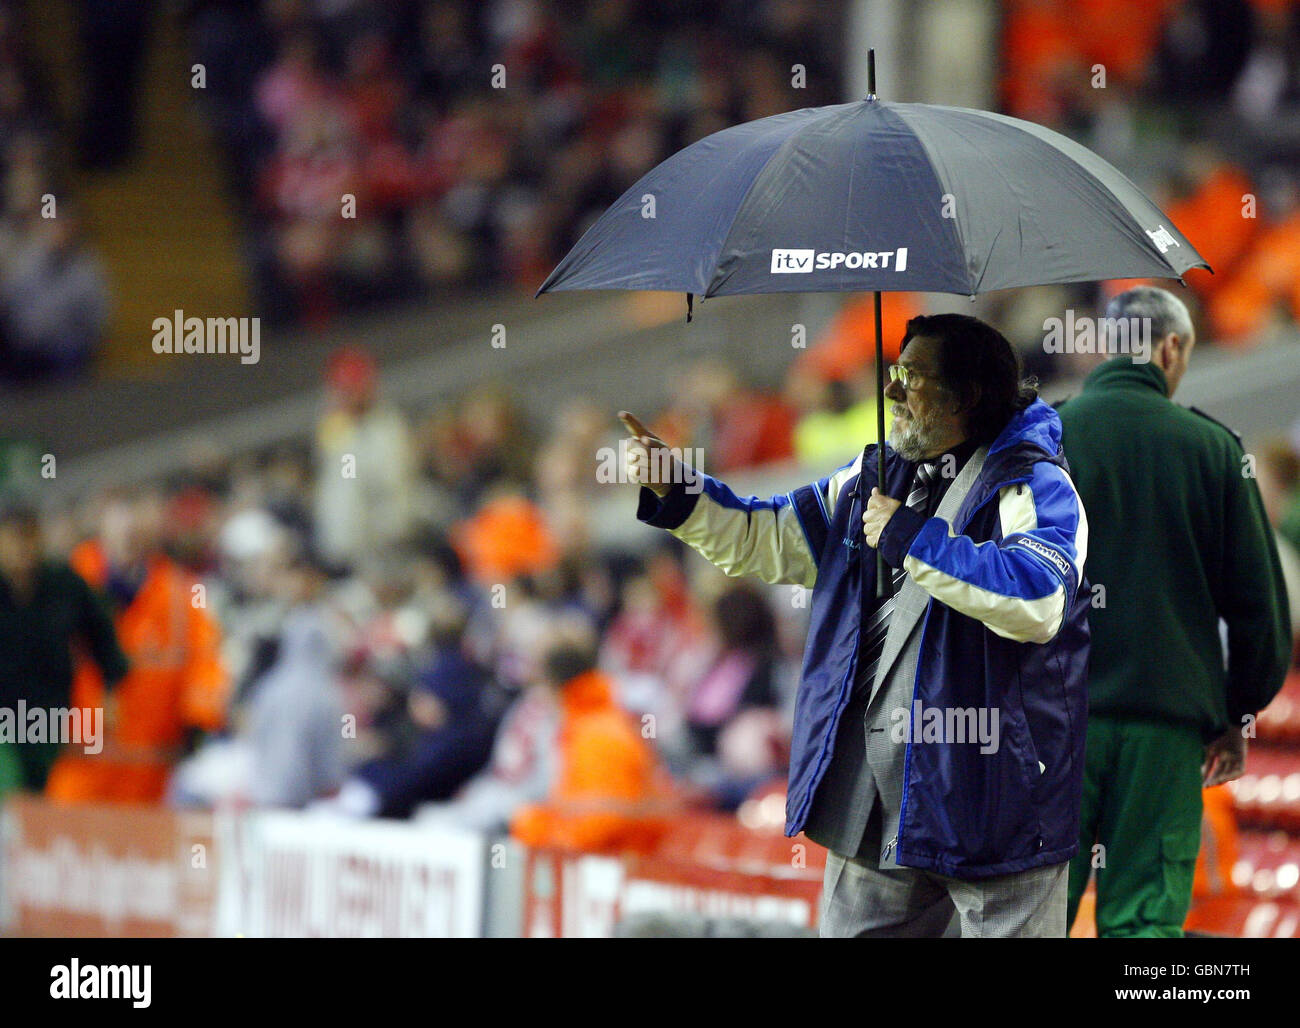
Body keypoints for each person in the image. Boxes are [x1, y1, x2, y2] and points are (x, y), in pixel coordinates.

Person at [623, 312, 1092, 937]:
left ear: (968, 395)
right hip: (878, 788)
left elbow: (1036, 601)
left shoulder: (1036, 482)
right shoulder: (872, 476)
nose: (892, 391)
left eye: (913, 378)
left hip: (993, 790)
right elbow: (769, 538)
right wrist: (678, 490)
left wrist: (910, 538)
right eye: (895, 373)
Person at [1057, 286, 1291, 937]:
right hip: (1165, 730)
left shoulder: (1045, 436)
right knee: (1144, 924)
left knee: (1034, 912)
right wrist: (1234, 711)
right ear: (1169, 347)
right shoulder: (1215, 450)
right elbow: (1259, 612)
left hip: (1053, 722)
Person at [45, 490, 229, 804]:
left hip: (150, 776)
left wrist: (200, 718)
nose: (129, 534)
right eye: (121, 522)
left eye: (136, 525)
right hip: (75, 769)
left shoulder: (179, 594)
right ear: (101, 526)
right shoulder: (62, 586)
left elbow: (206, 661)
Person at [0, 499, 127, 794]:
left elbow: (102, 634)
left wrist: (110, 690)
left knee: (44, 792)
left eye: (29, 536)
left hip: (48, 715)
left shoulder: (64, 584)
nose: (22, 548)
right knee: (10, 786)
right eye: (12, 538)